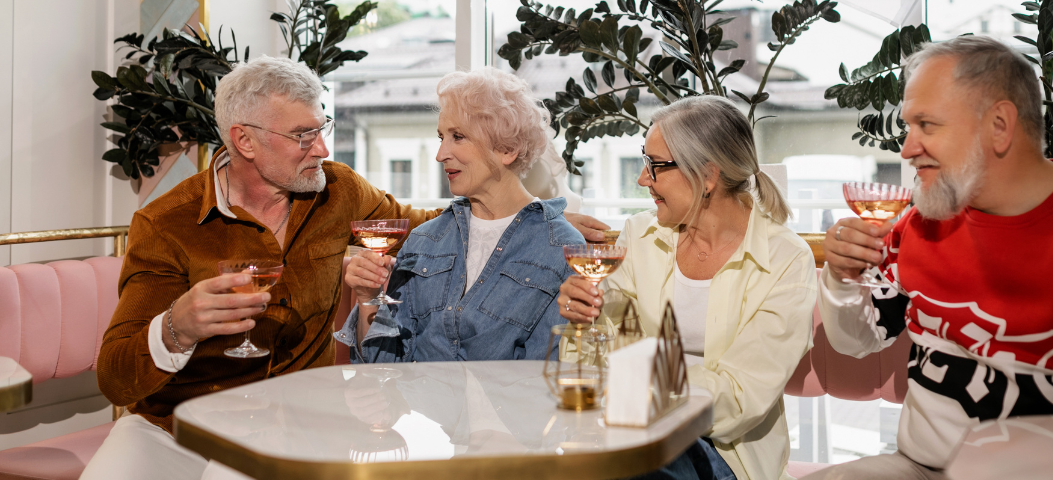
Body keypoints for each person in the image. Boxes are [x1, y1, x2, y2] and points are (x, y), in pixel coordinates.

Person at [84, 57, 606, 480]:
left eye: (322, 128)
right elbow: (115, 376)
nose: (324, 149)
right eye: (303, 136)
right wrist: (177, 328)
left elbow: (429, 225)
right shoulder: (166, 224)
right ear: (245, 141)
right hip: (172, 426)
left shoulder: (338, 190)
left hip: (293, 428)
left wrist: (544, 216)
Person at [805, 36, 1053, 480]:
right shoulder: (917, 226)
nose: (906, 148)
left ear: (999, 125)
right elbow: (856, 341)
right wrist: (841, 275)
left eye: (927, 125)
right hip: (917, 467)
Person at [557, 96, 818, 480]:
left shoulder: (786, 259)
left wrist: (637, 388)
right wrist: (581, 319)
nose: (642, 179)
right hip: (629, 435)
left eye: (655, 166)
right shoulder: (640, 236)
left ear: (708, 176)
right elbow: (589, 363)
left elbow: (739, 400)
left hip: (727, 456)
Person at [335, 67, 581, 362]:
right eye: (441, 137)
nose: (441, 153)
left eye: (458, 137)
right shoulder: (425, 238)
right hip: (419, 406)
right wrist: (368, 297)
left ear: (507, 149)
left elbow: (541, 381)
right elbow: (380, 366)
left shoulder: (561, 249)